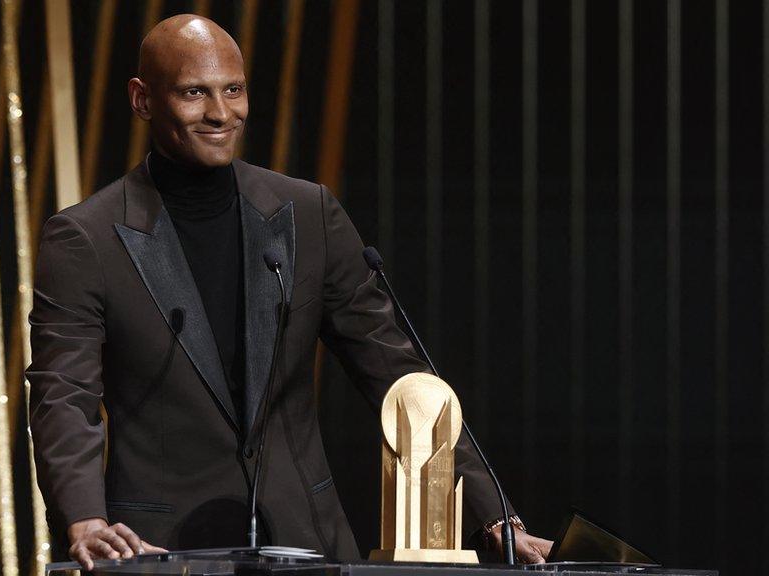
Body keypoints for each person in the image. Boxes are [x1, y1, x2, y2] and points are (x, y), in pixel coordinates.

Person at [27, 14, 553, 570]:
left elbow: (398, 374)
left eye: (234, 89)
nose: (221, 113)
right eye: (193, 93)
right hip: (160, 546)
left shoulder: (307, 214)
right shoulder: (85, 237)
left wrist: (491, 514)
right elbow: (63, 394)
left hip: (306, 540)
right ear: (142, 100)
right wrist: (83, 518)